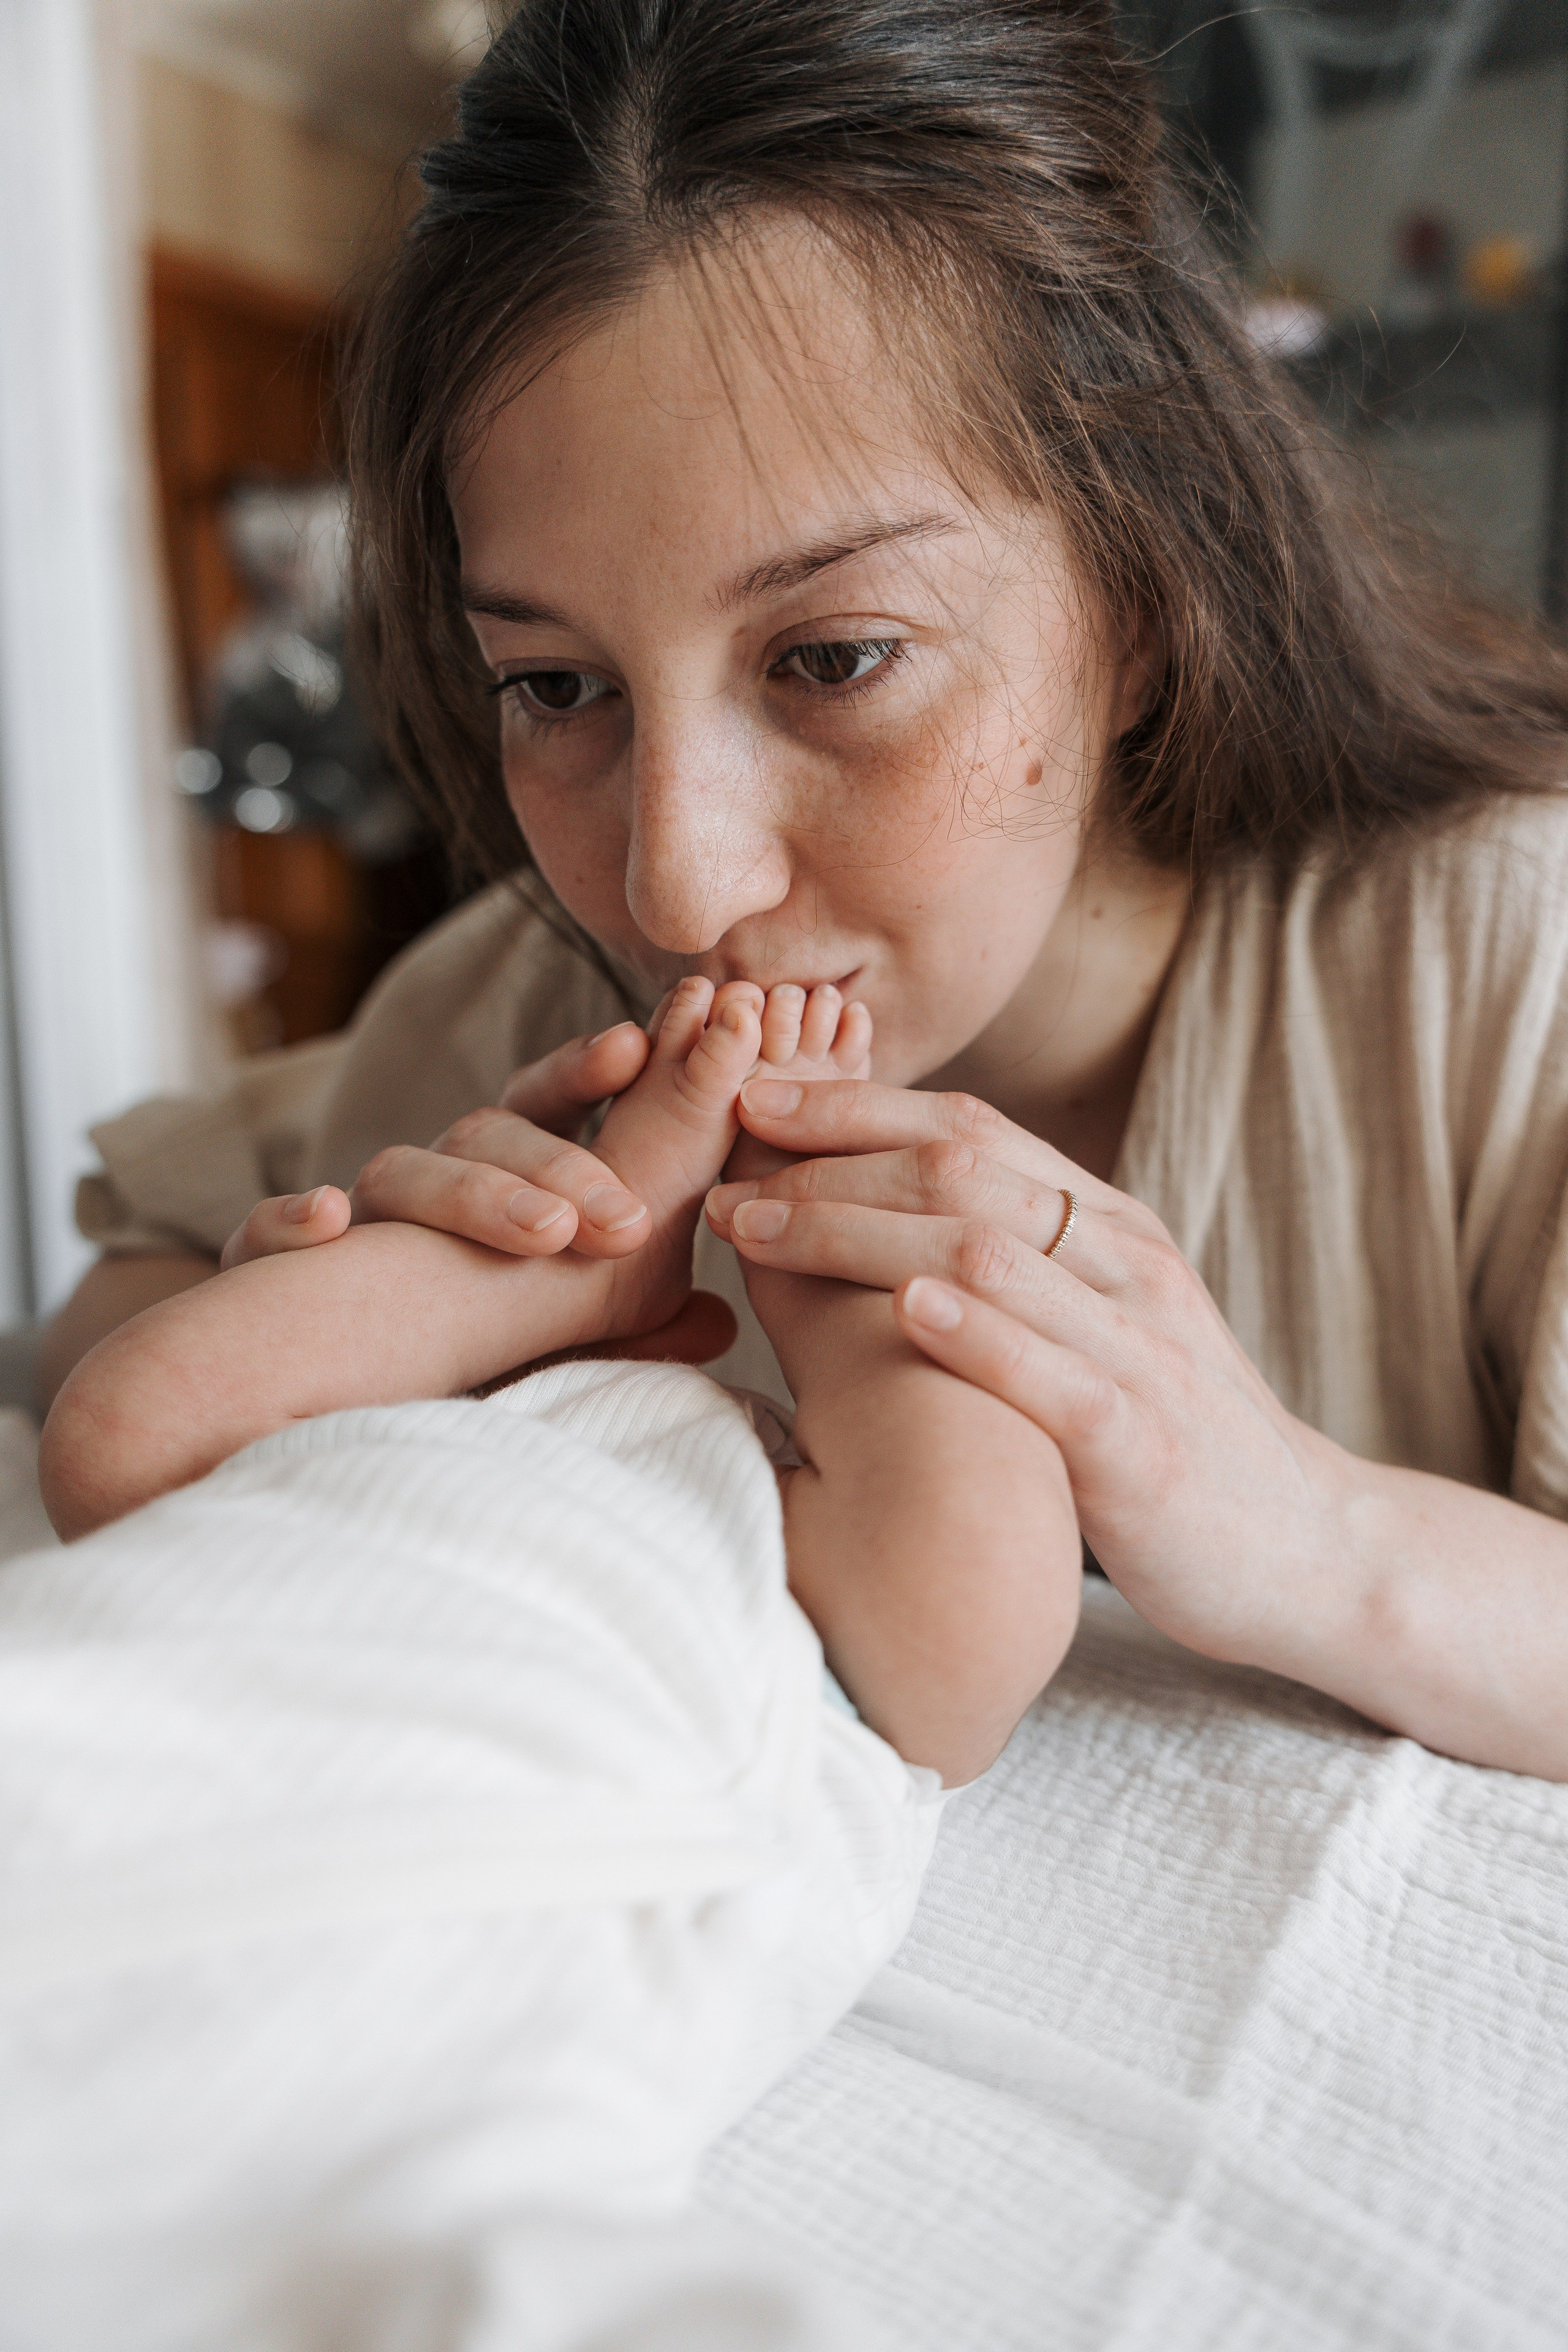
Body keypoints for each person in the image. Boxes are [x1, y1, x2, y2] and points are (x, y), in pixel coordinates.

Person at [41, 0, 1568, 1780]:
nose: (675, 889)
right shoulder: (518, 1013)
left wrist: (1313, 1532)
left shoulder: (1509, 960)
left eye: (835, 658)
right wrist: (316, 1336)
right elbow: (110, 1311)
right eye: (557, 685)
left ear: (1145, 601)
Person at [41, 979, 1076, 1786]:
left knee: (129, 1434)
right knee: (962, 1603)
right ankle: (661, 1252)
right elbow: (132, 1271)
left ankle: (602, 1266)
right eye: (561, 702)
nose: (676, 892)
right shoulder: (487, 978)